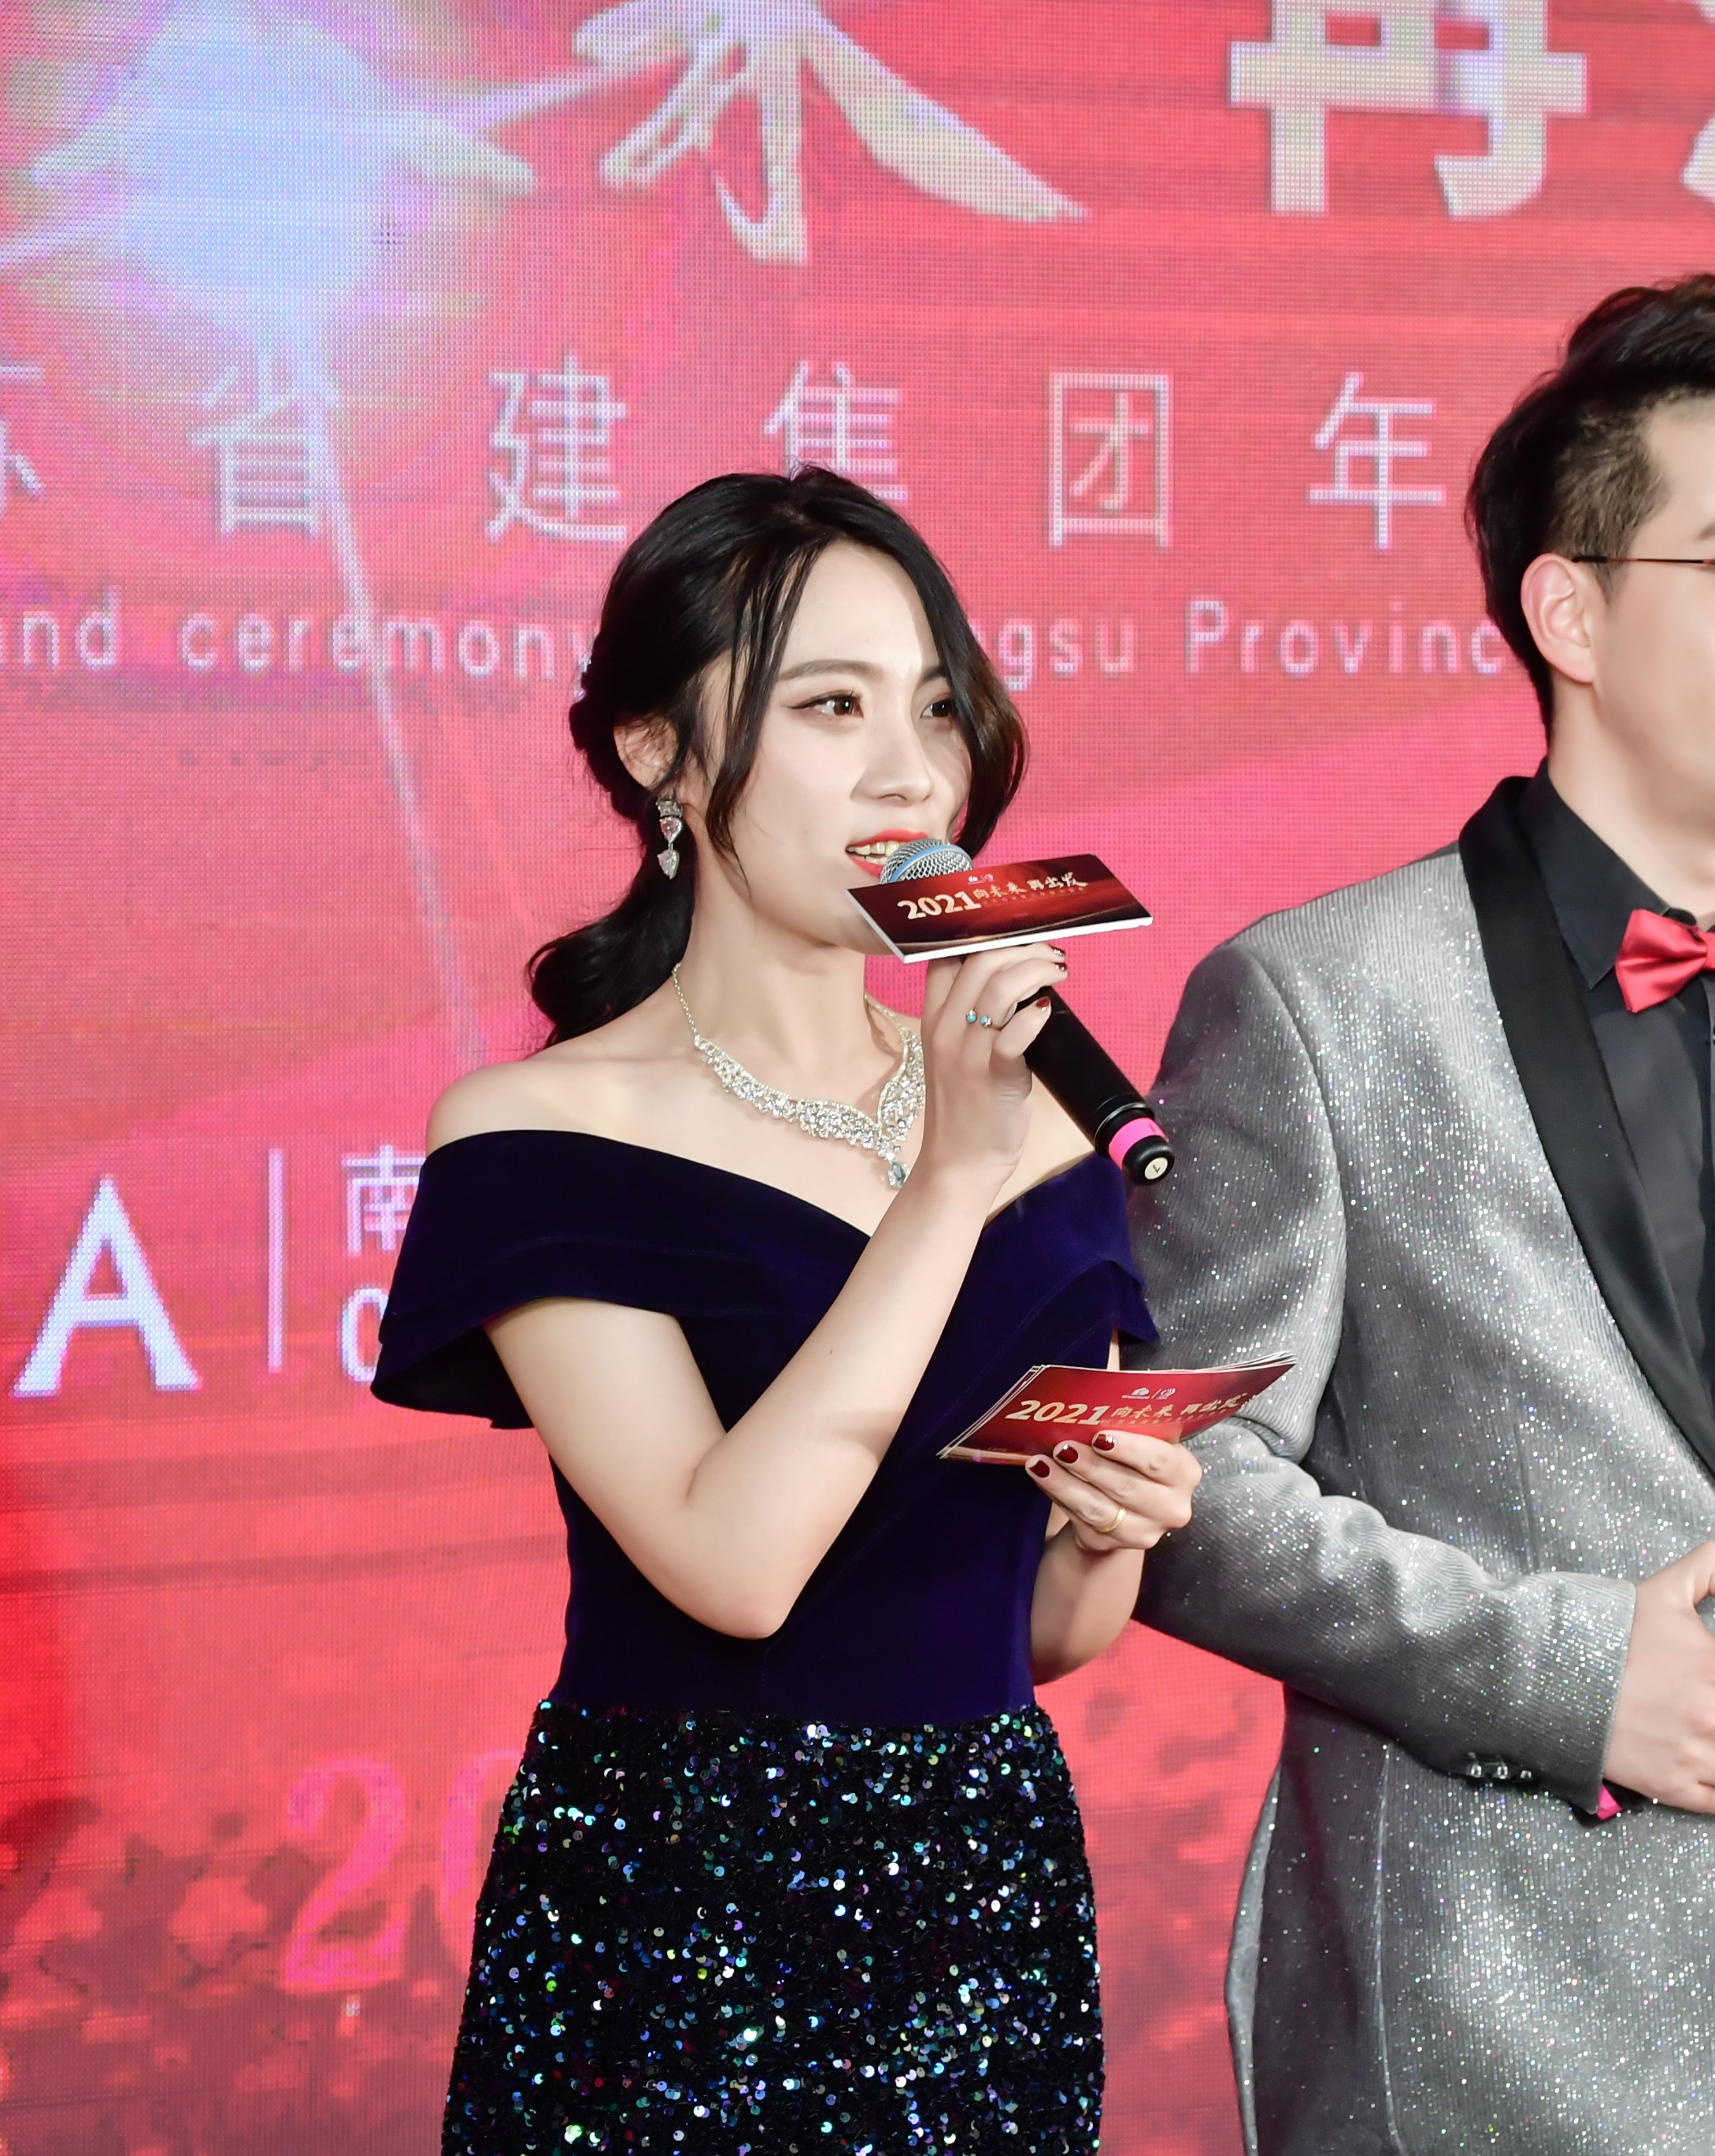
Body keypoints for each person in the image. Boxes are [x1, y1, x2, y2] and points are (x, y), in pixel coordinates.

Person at [1131, 275, 1715, 2155]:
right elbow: (1184, 1485)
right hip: (1492, 2030)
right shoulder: (1320, 1002)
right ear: (1568, 611)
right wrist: (1566, 1673)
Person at [369, 469, 1198, 2152]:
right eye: (832, 708)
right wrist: (944, 1184)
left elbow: (1036, 1634)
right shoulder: (543, 1139)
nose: (911, 773)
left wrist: (1115, 1536)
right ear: (657, 755)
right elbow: (735, 1571)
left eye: (936, 709)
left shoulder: (1049, 1129)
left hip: (983, 1908)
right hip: (674, 1916)